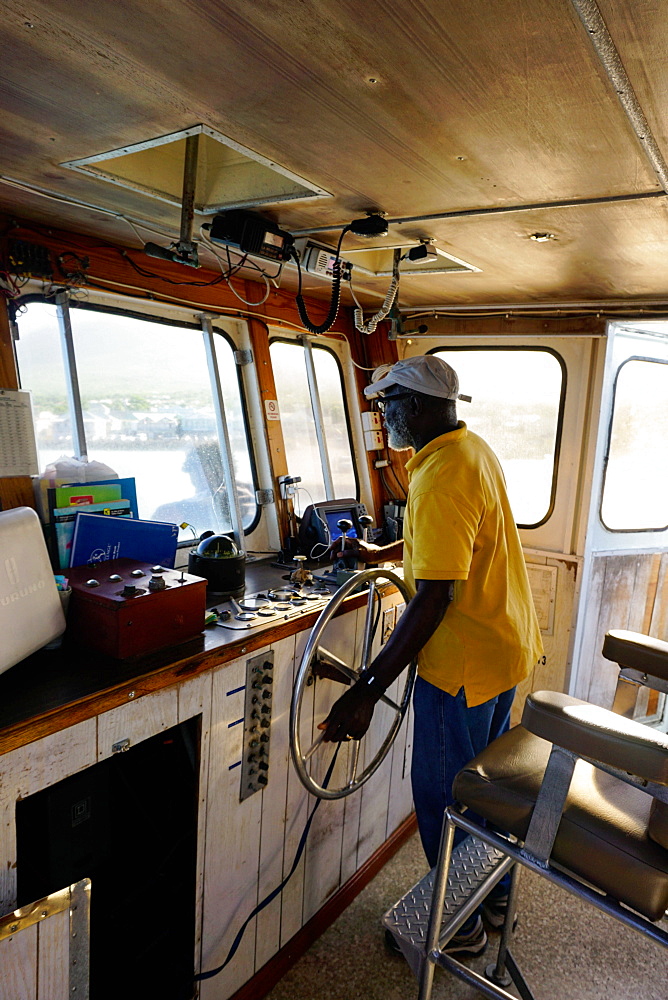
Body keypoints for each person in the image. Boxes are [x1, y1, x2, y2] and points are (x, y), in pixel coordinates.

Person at [320, 355, 543, 956]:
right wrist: (379, 554)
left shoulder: (441, 474)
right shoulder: (468, 450)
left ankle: (460, 929)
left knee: (445, 799)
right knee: (484, 788)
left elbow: (434, 598)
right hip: (504, 647)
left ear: (415, 406)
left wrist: (366, 689)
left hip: (461, 667)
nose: (384, 417)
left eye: (388, 405)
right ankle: (492, 898)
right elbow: (445, 542)